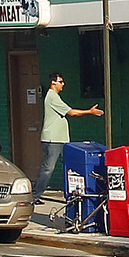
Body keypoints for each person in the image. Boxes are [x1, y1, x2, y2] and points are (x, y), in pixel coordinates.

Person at [39, 73, 103, 208]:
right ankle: (35, 195)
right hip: (53, 140)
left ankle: (72, 193)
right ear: (53, 83)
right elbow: (72, 112)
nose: (63, 84)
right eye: (60, 81)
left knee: (70, 167)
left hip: (61, 139)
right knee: (48, 168)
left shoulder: (55, 97)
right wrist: (90, 112)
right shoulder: (52, 97)